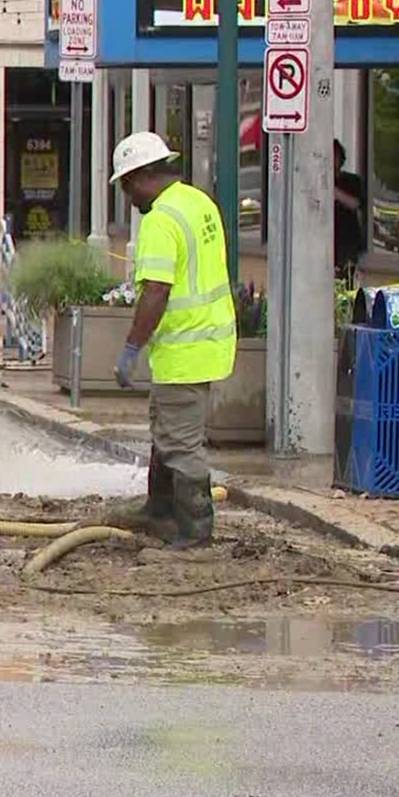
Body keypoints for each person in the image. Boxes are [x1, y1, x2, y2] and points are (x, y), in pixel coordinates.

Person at [110, 131, 236, 549]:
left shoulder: (161, 219)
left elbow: (157, 291)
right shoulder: (199, 203)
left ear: (143, 175)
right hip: (208, 341)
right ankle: (159, 509)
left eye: (127, 185)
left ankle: (194, 530)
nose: (128, 196)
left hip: (185, 347)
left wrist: (131, 347)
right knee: (166, 429)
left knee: (181, 442)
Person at [333, 140, 367, 283]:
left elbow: (355, 203)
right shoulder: (314, 182)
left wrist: (334, 191)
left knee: (345, 279)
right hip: (322, 241)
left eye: (334, 156)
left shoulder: (352, 181)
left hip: (346, 241)